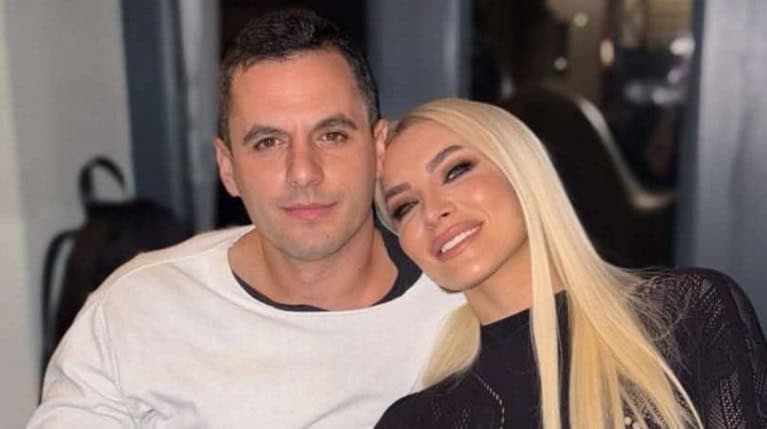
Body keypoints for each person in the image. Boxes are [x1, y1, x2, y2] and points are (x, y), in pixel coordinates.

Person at [28, 9, 462, 428]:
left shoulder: (460, 300)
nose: (303, 172)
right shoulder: (138, 310)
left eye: (331, 135)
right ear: (227, 167)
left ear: (379, 148)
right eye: (268, 142)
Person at [374, 98, 767, 428]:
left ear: (521, 169)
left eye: (456, 171)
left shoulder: (687, 315)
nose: (433, 212)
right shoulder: (419, 421)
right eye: (405, 206)